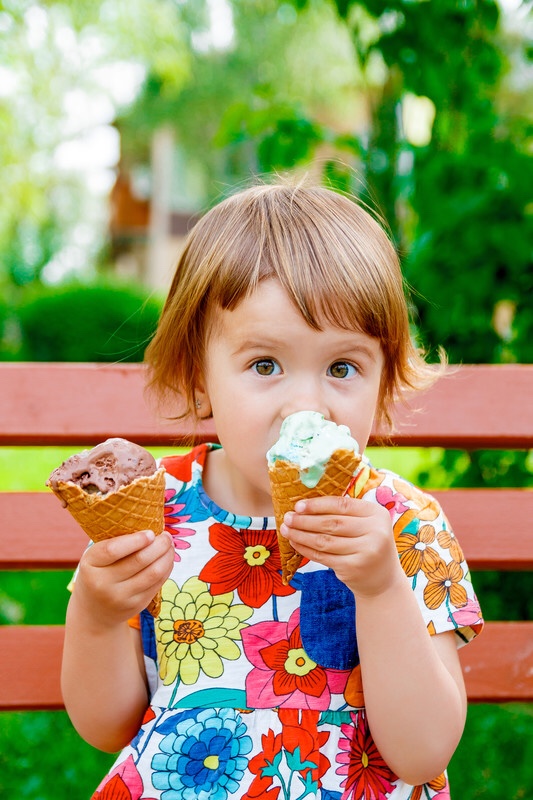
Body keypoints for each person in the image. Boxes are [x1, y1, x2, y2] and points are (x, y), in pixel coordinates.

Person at [61, 181, 484, 800]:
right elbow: (108, 727)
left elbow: (422, 754)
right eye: (266, 365)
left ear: (384, 382)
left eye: (343, 368)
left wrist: (383, 588)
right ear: (198, 379)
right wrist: (97, 617)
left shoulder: (405, 525)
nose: (306, 404)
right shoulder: (156, 512)